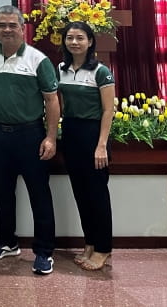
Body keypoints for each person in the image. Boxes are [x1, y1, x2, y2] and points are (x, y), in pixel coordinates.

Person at [0, 5, 59, 275]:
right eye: (2, 25)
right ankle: (7, 242)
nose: (7, 30)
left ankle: (44, 251)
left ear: (23, 29)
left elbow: (51, 100)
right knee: (2, 193)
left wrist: (50, 137)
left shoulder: (38, 59)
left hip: (30, 135)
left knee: (39, 194)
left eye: (12, 25)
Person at [58, 20, 115, 271]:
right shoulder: (61, 69)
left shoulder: (101, 71)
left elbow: (108, 110)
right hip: (71, 133)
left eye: (80, 38)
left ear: (90, 41)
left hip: (94, 135)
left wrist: (101, 145)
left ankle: (103, 248)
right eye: (70, 38)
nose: (74, 42)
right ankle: (90, 242)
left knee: (97, 194)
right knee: (81, 193)